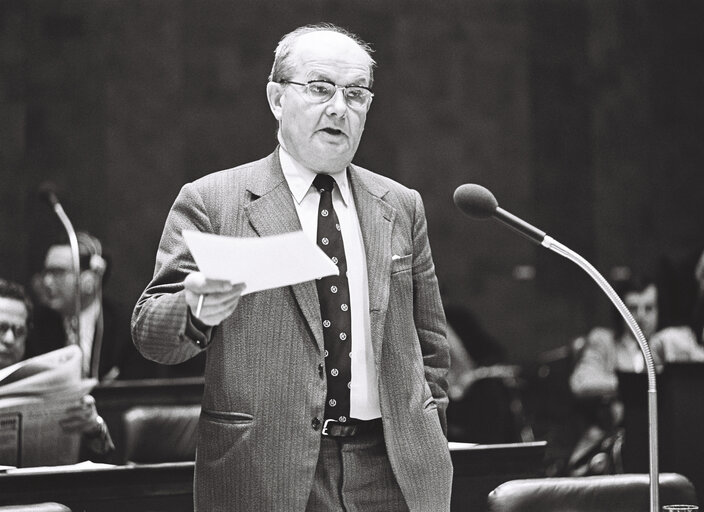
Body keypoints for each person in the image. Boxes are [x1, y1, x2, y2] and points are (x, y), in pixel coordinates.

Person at [132, 24, 451, 512]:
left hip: (393, 470)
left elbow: (430, 346)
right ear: (277, 98)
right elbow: (149, 333)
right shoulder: (214, 201)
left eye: (357, 94)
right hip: (266, 468)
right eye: (320, 88)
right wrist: (192, 309)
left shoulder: (400, 205)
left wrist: (429, 431)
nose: (339, 108)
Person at [567, 274, 704, 475]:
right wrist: (634, 384)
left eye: (649, 308)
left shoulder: (671, 340)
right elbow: (581, 382)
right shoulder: (604, 341)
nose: (641, 316)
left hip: (666, 443)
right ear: (620, 312)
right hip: (612, 448)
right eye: (633, 309)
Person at [29, 231, 171, 380]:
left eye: (57, 272)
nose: (47, 282)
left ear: (89, 280)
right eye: (46, 272)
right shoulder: (37, 325)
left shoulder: (129, 326)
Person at [0, 278, 114, 461]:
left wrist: (93, 427)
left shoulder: (43, 383)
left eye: (19, 331)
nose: (10, 339)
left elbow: (105, 458)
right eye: (1, 328)